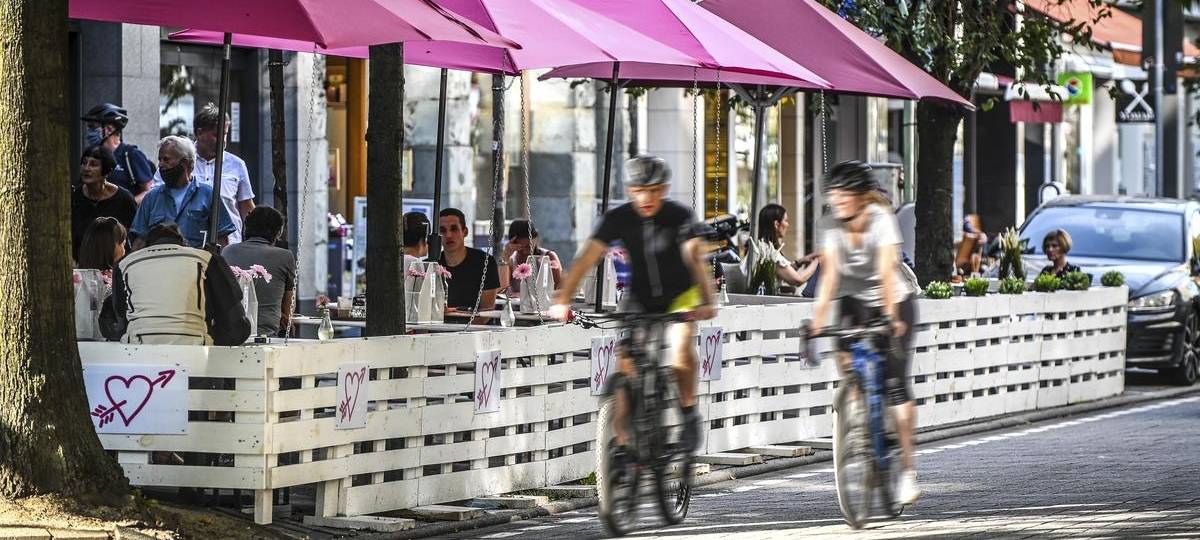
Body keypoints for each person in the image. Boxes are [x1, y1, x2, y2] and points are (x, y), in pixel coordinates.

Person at [550, 155, 716, 453]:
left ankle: (689, 413)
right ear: (630, 190)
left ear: (664, 189)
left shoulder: (679, 216)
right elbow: (586, 259)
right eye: (639, 191)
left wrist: (707, 300)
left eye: (654, 190)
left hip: (680, 294)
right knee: (626, 363)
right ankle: (623, 447)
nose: (646, 198)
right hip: (639, 297)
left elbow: (695, 258)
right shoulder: (618, 218)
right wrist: (563, 300)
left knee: (681, 347)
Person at [809, 160, 920, 505]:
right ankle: (857, 418)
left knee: (895, 384)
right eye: (833, 194)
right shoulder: (829, 224)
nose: (837, 200)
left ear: (860, 196)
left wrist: (890, 318)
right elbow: (829, 277)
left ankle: (906, 470)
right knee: (847, 361)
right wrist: (817, 321)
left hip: (894, 300)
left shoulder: (880, 220)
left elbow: (886, 273)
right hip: (853, 301)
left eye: (844, 194)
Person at [108, 223, 250, 345]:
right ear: (182, 243)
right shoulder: (206, 259)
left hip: (137, 350)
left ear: (147, 246)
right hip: (196, 350)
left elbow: (118, 318)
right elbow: (236, 322)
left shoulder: (125, 264)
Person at [156, 104, 256, 244]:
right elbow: (158, 197)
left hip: (229, 246)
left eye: (225, 134)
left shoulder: (237, 165)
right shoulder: (177, 162)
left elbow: (246, 207)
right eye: (216, 135)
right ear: (199, 133)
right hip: (185, 245)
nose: (223, 140)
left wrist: (254, 241)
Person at [130, 136, 236, 249]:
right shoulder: (152, 198)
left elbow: (222, 239)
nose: (160, 165)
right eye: (159, 160)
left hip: (195, 259)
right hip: (159, 259)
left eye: (166, 159)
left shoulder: (208, 195)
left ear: (185, 162)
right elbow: (140, 241)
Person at [222, 207, 297, 337]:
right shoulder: (285, 256)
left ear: (246, 228)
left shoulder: (227, 251)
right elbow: (289, 306)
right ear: (279, 232)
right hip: (268, 333)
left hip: (229, 331)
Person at [71, 144, 137, 260]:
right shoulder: (74, 197)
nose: (87, 168)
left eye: (93, 164)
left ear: (107, 171)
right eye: (84, 163)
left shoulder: (124, 199)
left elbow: (134, 236)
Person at [81, 103, 155, 203]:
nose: (89, 132)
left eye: (92, 127)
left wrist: (126, 206)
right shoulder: (91, 156)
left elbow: (149, 191)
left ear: (109, 129)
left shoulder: (131, 154)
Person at [437, 208, 500, 311]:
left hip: (475, 321)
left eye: (454, 229)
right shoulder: (431, 265)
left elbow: (487, 310)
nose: (448, 235)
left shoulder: (485, 262)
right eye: (442, 230)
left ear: (465, 232)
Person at [756, 203, 819, 289]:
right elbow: (798, 280)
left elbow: (784, 271)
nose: (787, 224)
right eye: (785, 220)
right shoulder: (768, 252)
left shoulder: (764, 247)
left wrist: (800, 262)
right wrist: (816, 261)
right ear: (776, 224)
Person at [500, 219, 563, 293]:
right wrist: (505, 257)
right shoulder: (511, 260)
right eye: (520, 248)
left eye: (528, 246)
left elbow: (559, 288)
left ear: (536, 238)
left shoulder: (548, 257)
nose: (525, 251)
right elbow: (502, 290)